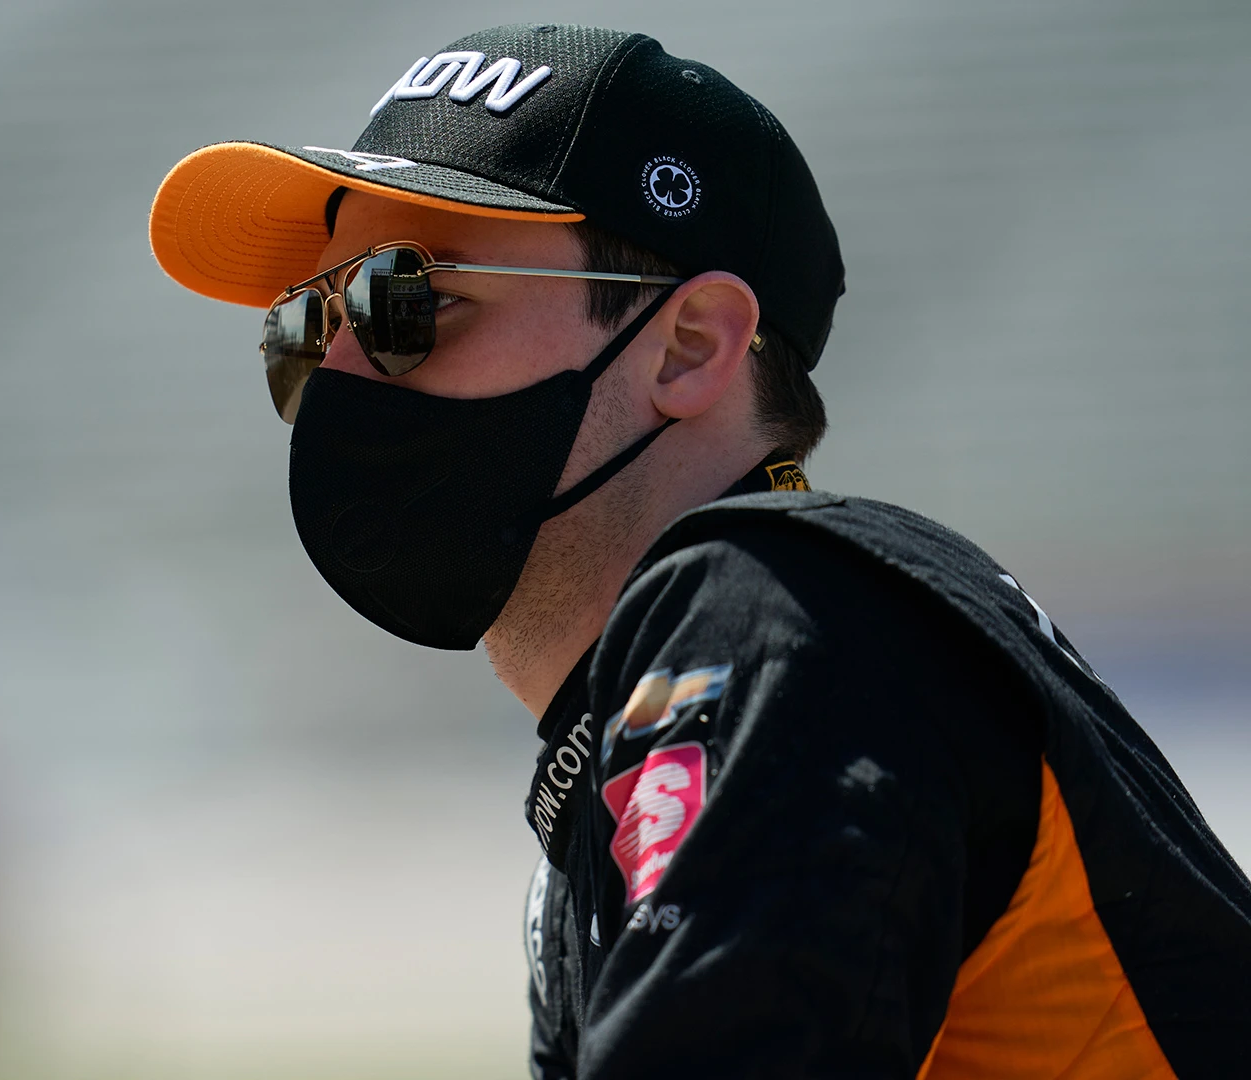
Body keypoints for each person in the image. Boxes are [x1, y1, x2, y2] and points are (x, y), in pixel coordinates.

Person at [148, 23, 1251, 1078]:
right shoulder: (670, 716)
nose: (335, 379)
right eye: (302, 325)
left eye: (408, 301)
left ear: (686, 346)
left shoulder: (778, 616)